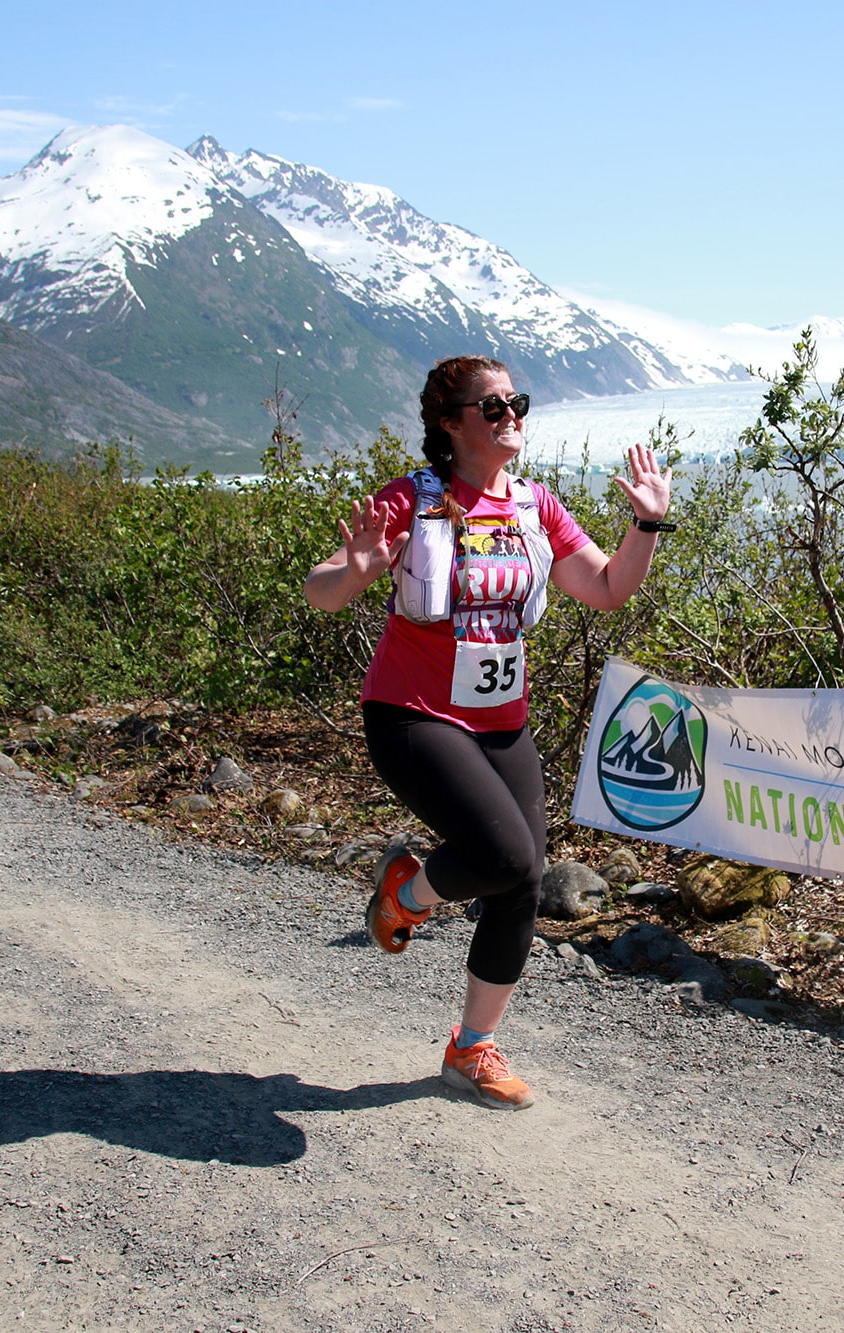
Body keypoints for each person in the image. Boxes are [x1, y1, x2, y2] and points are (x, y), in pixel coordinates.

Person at [302, 355, 673, 1109]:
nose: (512, 419)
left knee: (525, 879)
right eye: (492, 408)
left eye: (518, 404)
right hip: (412, 713)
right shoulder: (416, 497)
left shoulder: (535, 506)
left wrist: (647, 522)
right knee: (503, 853)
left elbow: (607, 589)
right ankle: (407, 889)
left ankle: (471, 1048)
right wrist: (360, 569)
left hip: (500, 721)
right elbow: (321, 589)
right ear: (449, 423)